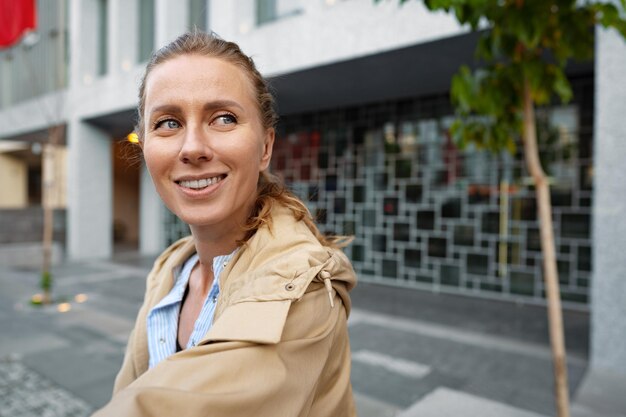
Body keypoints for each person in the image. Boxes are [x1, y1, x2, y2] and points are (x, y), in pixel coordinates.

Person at [92, 31, 357, 417]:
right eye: (168, 122)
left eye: (223, 118)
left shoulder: (305, 285)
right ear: (145, 144)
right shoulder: (170, 271)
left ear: (265, 147)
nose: (193, 147)